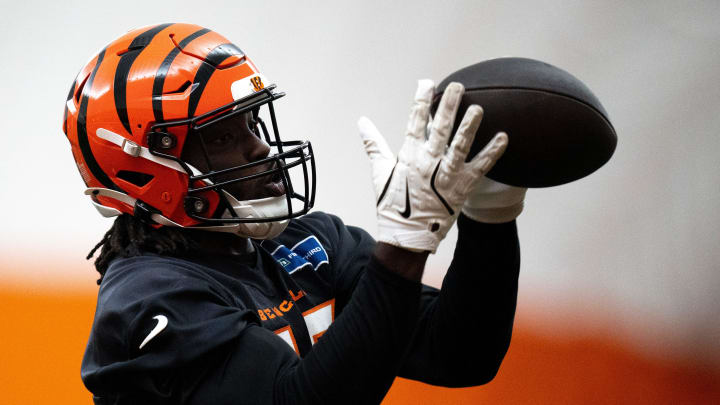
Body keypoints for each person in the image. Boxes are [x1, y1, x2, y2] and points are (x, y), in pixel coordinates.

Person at [64, 23, 527, 404]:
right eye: (222, 137)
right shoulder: (148, 298)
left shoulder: (312, 243)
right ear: (148, 170)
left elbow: (460, 355)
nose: (261, 148)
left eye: (251, 121)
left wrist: (491, 214)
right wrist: (402, 251)